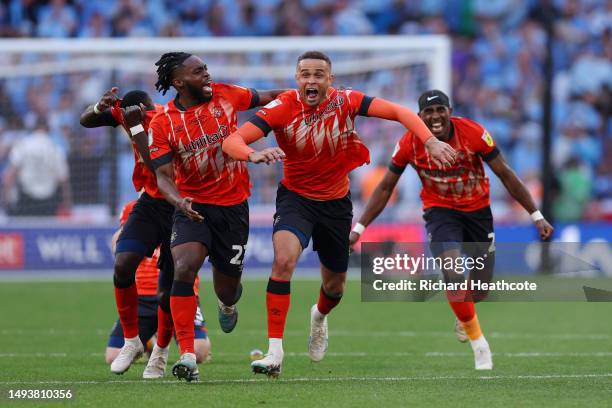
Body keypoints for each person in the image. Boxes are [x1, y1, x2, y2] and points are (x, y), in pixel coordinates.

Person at [222, 50, 456, 377]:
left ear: (330, 79)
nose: (312, 80)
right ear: (297, 78)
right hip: (296, 200)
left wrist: (429, 141)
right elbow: (231, 141)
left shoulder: (346, 101)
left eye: (319, 74)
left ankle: (318, 316)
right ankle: (275, 351)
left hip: (336, 203)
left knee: (334, 287)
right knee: (283, 261)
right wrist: (251, 154)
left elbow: (400, 112)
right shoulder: (282, 107)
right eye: (305, 74)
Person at [349, 90, 554, 370]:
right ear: (419, 117)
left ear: (450, 110)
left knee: (481, 286)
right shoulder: (409, 143)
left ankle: (465, 313)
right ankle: (479, 344)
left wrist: (536, 215)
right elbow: (386, 187)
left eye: (440, 110)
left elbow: (505, 174)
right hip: (440, 212)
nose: (435, 117)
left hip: (478, 213)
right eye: (428, 113)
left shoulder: (474, 134)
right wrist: (359, 228)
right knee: (452, 268)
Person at [147, 51, 285, 382]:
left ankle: (226, 305)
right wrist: (179, 202)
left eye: (206, 68)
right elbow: (163, 176)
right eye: (198, 72)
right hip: (192, 208)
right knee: (183, 268)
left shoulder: (226, 94)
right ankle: (187, 355)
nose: (207, 75)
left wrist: (303, 97)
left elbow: (271, 98)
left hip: (234, 207)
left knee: (227, 289)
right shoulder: (162, 122)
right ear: (179, 82)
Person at [80, 89, 177, 377]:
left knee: (168, 289)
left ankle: (160, 352)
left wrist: (135, 126)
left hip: (178, 203)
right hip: (150, 203)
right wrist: (100, 106)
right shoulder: (129, 114)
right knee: (123, 264)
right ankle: (132, 341)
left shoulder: (165, 119)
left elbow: (157, 167)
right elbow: (86, 121)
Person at [105, 200, 211, 376]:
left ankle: (164, 350)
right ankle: (146, 344)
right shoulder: (136, 207)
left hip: (178, 290)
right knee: (112, 355)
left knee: (200, 351)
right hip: (142, 297)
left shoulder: (190, 202)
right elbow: (119, 240)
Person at [2, 120, 72, 216]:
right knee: (46, 230)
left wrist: (6, 199)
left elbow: (10, 175)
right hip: (49, 201)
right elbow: (63, 180)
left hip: (26, 200)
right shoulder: (55, 148)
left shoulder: (23, 144)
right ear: (48, 130)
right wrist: (67, 203)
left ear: (34, 129)